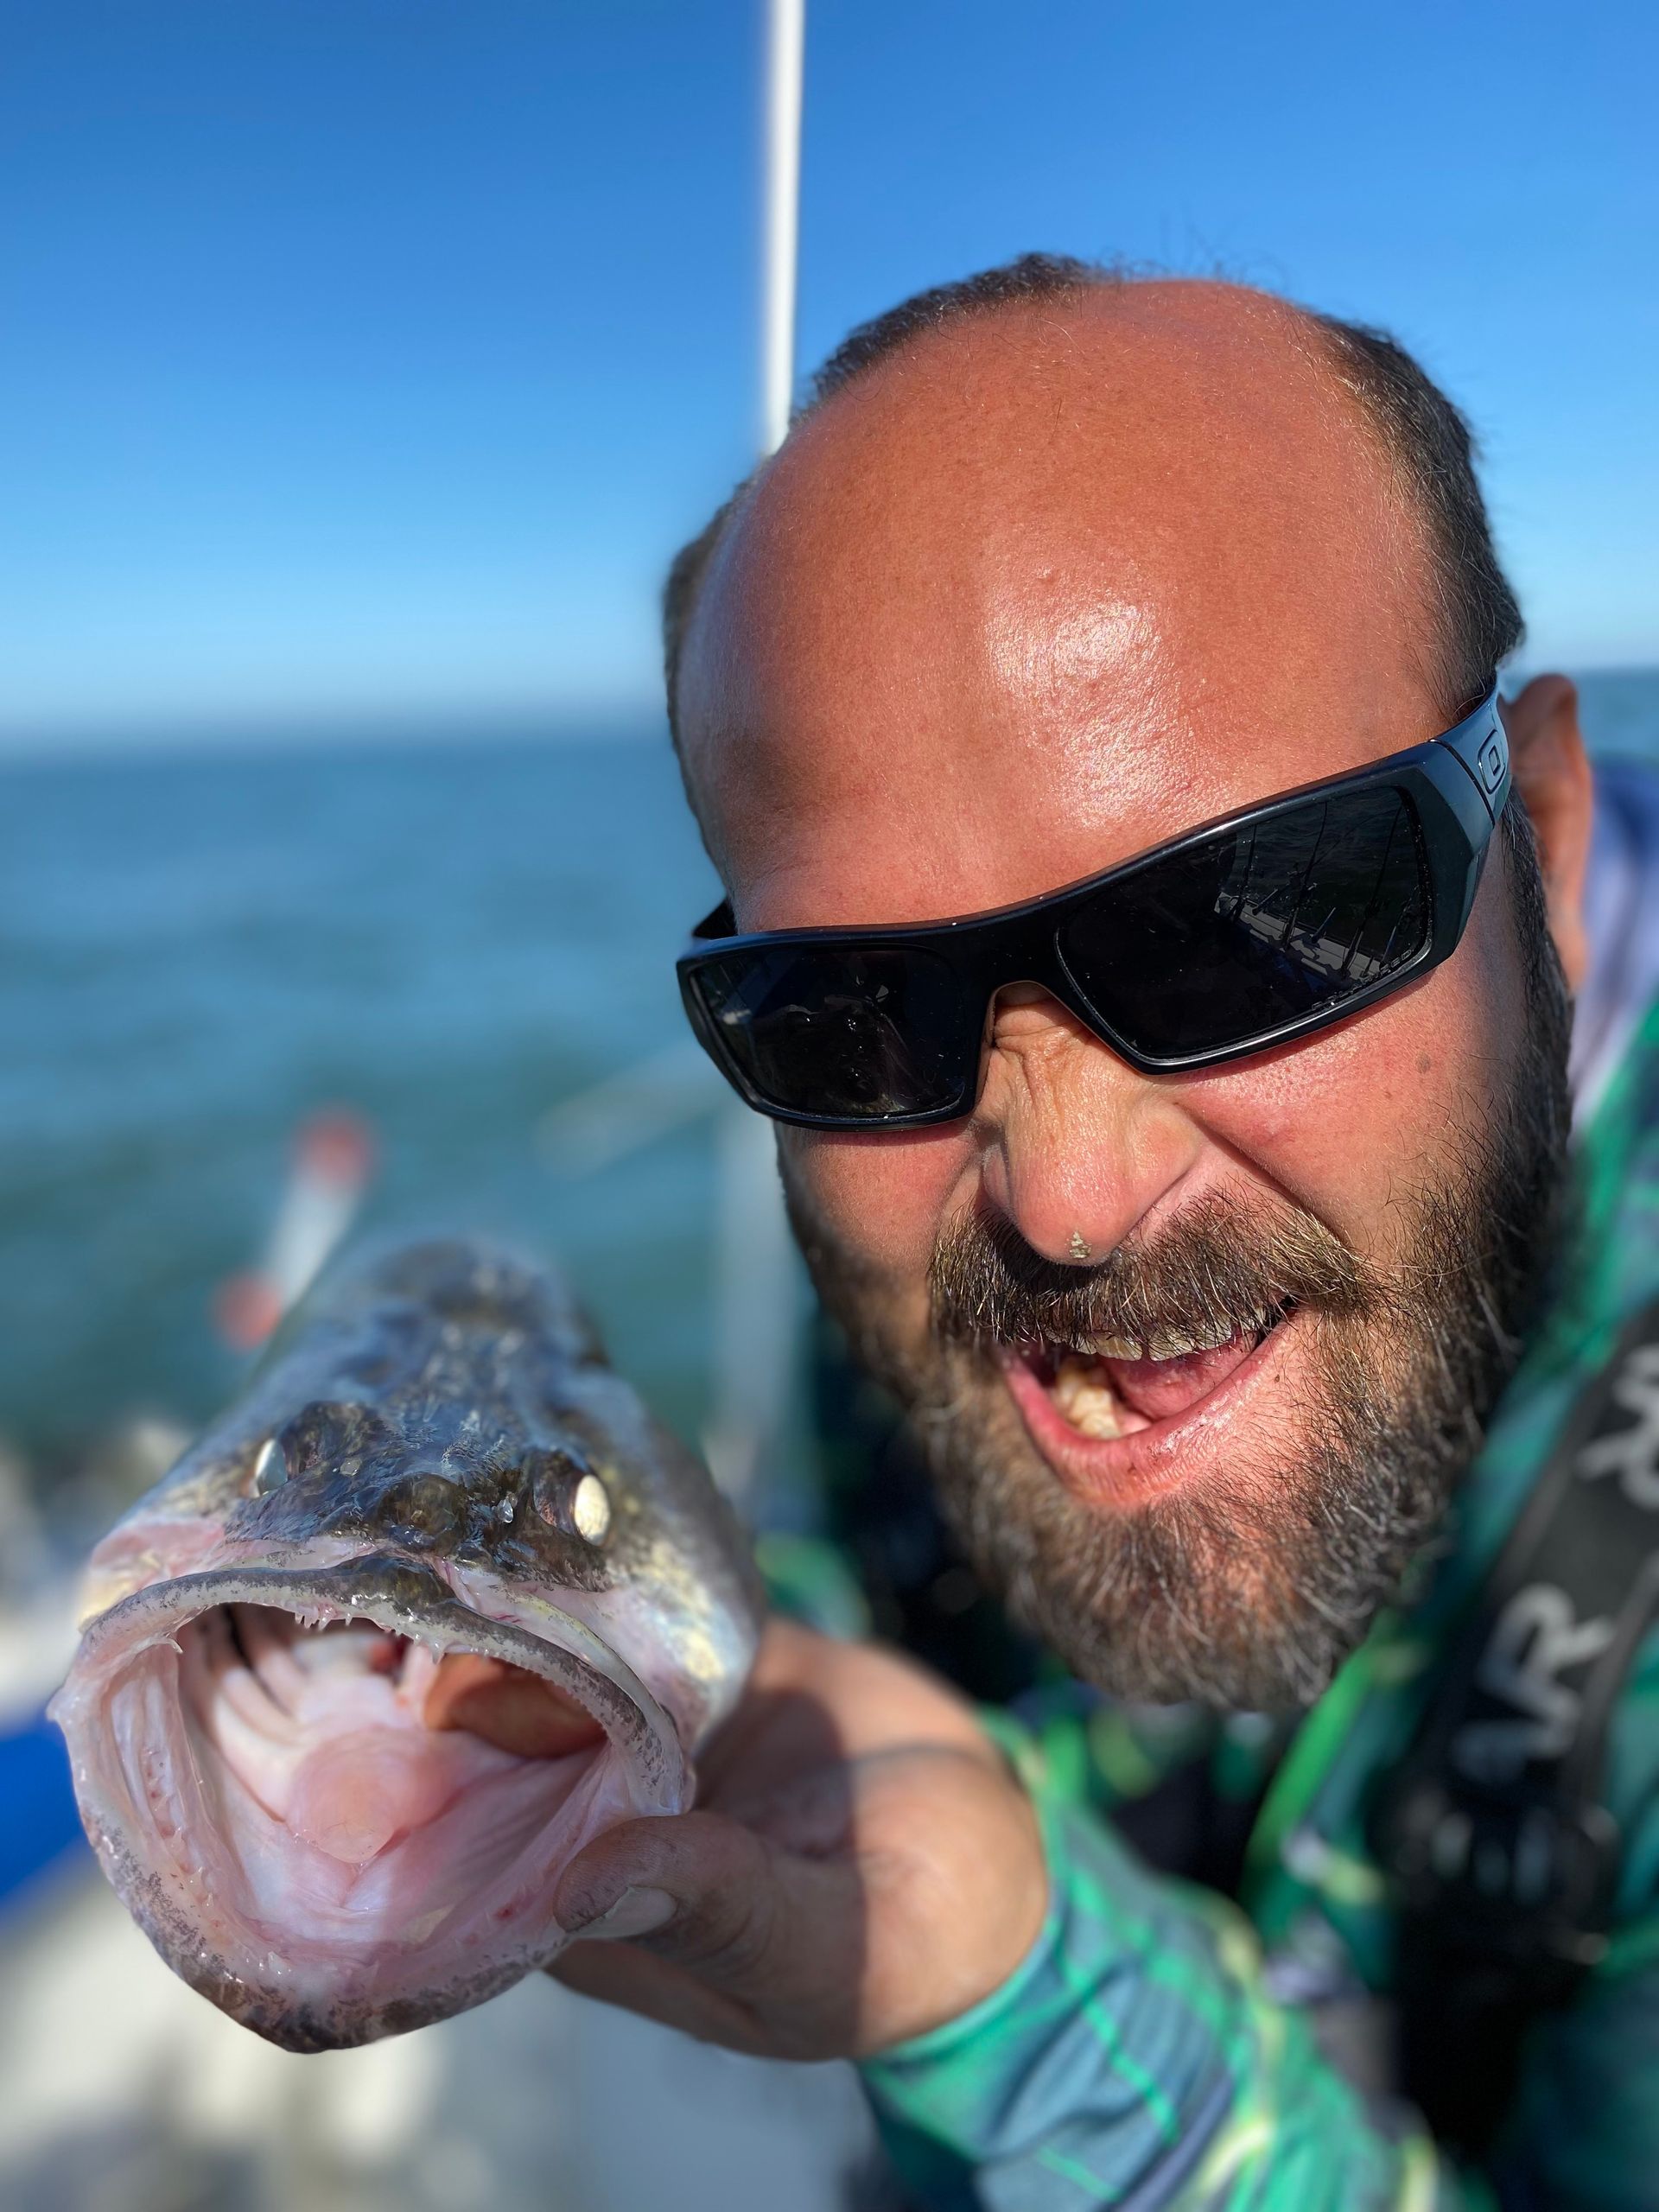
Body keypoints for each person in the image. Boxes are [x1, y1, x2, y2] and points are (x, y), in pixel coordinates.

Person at [549, 257, 1659, 2206]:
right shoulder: (914, 1189)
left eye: (1250, 925)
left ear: (1546, 832)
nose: (1062, 1199)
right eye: (849, 1008)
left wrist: (1022, 2004)